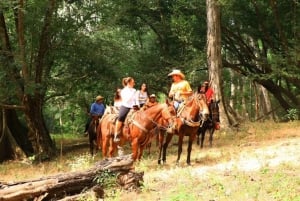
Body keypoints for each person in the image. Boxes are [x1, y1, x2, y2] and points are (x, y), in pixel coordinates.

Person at [114, 77, 139, 142]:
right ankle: (116, 134)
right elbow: (126, 100)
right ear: (129, 83)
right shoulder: (123, 91)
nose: (134, 83)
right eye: (133, 82)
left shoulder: (134, 90)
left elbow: (136, 99)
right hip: (126, 106)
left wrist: (138, 105)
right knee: (121, 117)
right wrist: (132, 93)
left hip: (134, 107)